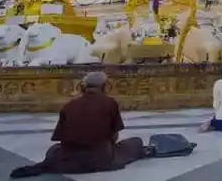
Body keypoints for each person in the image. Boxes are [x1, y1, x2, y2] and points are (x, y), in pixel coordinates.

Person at [10, 72, 146, 178]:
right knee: (135, 142)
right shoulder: (110, 103)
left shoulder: (69, 105)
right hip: (99, 158)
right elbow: (114, 135)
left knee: (53, 150)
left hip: (68, 159)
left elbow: (61, 137)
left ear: (83, 87)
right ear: (105, 86)